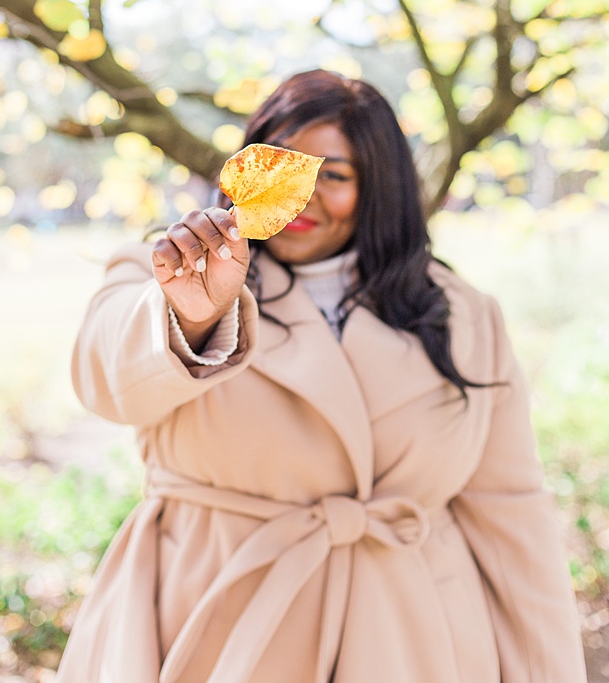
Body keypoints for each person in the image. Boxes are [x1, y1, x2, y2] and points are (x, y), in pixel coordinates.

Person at [56, 69, 586, 683]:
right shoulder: (168, 271)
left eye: (331, 175)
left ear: (379, 187)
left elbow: (511, 517)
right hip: (219, 618)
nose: (301, 196)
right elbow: (105, 379)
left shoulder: (466, 316)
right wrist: (194, 314)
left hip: (414, 633)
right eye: (280, 167)